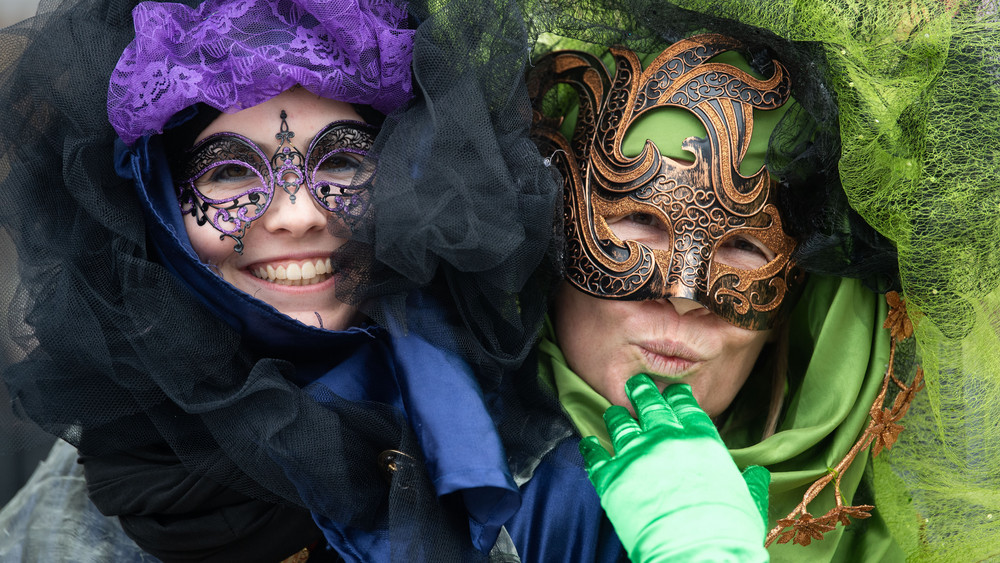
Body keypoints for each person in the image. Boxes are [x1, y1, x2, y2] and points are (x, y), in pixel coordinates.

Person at [0, 0, 558, 561]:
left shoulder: (535, 463)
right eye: (229, 171)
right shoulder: (65, 516)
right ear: (159, 206)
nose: (299, 215)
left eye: (342, 162)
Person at [518, 1, 1000, 561]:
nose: (683, 294)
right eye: (641, 221)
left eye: (745, 245)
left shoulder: (888, 539)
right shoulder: (421, 447)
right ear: (548, 225)